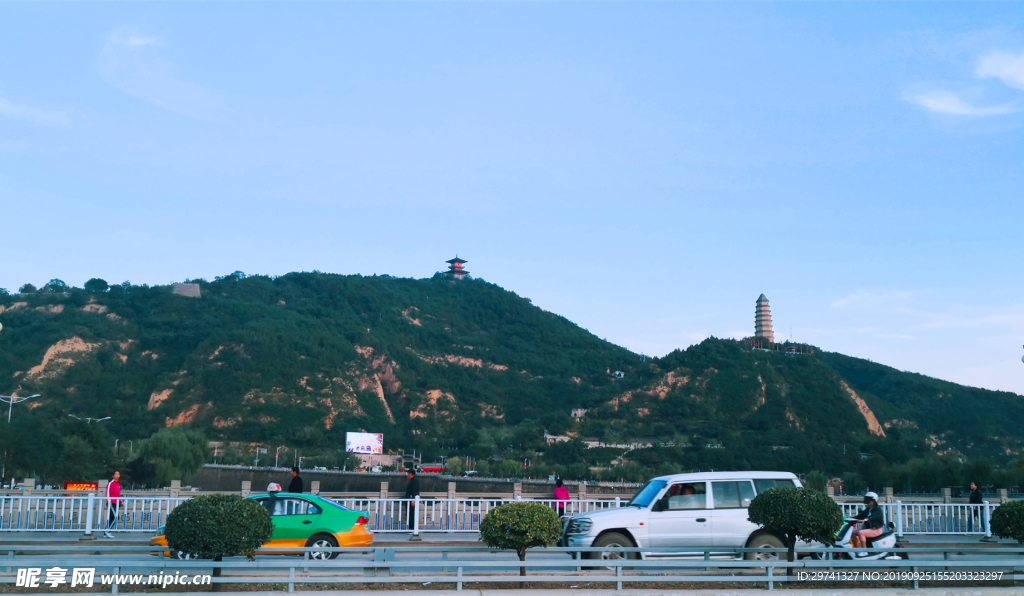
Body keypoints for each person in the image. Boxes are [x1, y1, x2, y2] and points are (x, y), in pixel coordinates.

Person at [103, 471, 122, 539]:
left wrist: (121, 502)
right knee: (115, 517)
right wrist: (108, 501)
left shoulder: (118, 484)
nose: (117, 475)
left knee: (112, 517)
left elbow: (118, 494)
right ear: (113, 476)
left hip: (116, 502)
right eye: (116, 474)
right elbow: (107, 492)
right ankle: (108, 531)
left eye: (118, 474)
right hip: (111, 502)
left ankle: (106, 532)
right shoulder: (111, 483)